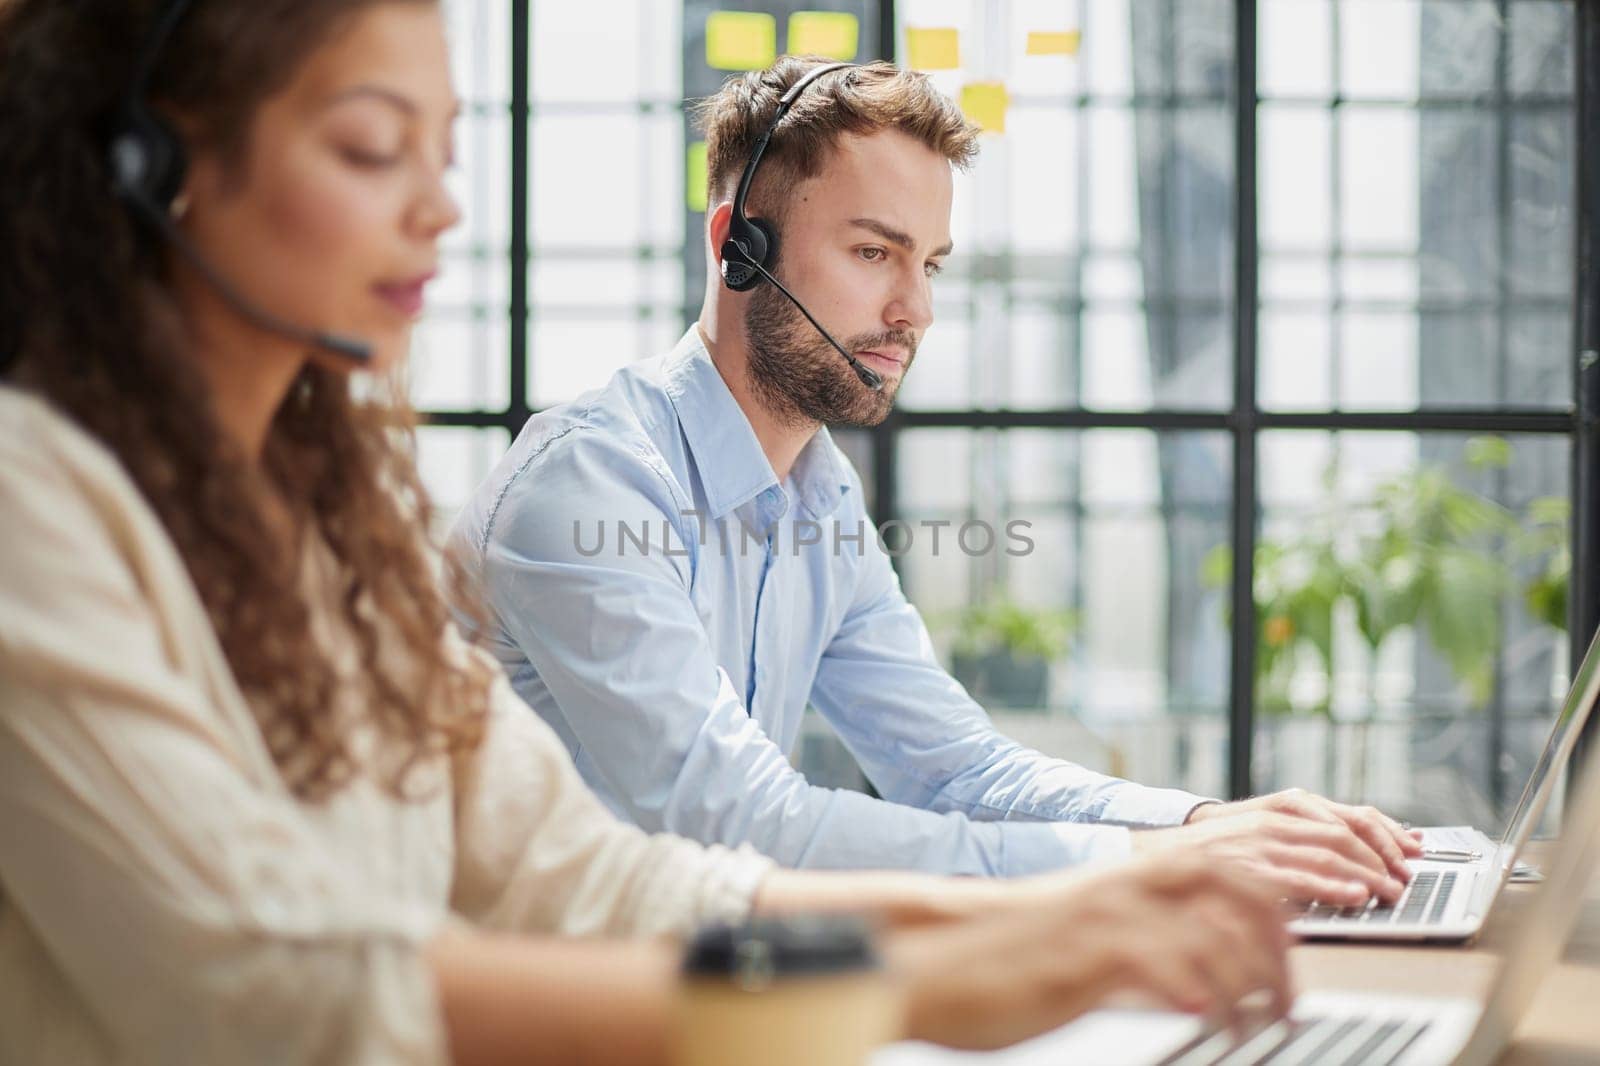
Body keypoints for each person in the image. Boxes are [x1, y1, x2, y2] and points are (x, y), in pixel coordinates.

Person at [0, 2, 1292, 1063]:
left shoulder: (335, 528)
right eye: (368, 149)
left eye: (445, 153)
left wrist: (1125, 880)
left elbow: (605, 877)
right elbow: (284, 991)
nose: (444, 210)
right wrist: (925, 978)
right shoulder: (31, 510)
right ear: (147, 173)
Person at [448, 55, 1423, 901]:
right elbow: (736, 823)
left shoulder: (816, 494)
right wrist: (1139, 864)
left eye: (931, 265)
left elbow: (954, 768)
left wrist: (1202, 825)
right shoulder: (592, 485)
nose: (913, 309)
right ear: (736, 249)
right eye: (874, 252)